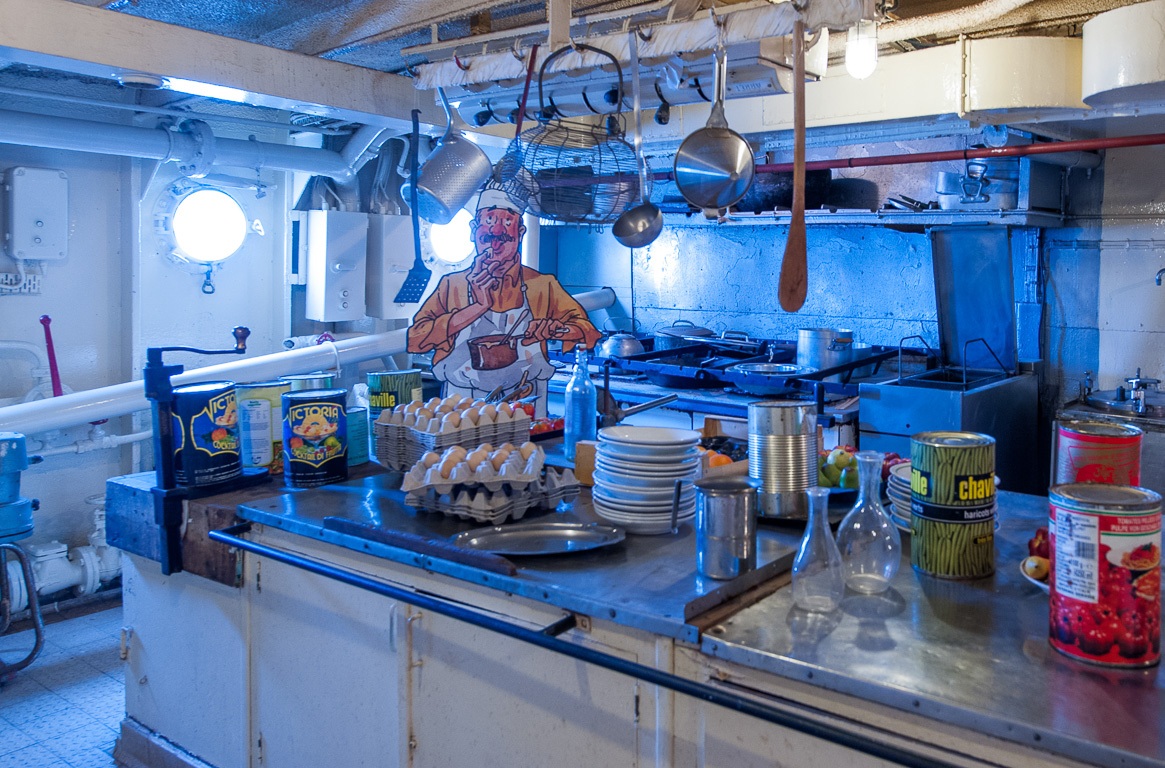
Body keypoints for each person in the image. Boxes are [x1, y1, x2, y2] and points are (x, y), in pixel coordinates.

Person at [407, 186, 600, 414]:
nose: (494, 242)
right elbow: (415, 339)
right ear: (473, 230)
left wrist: (556, 330)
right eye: (488, 229)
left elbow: (586, 330)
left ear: (520, 232)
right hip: (463, 410)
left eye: (505, 231)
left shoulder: (542, 285)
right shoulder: (452, 285)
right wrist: (477, 307)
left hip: (526, 406)